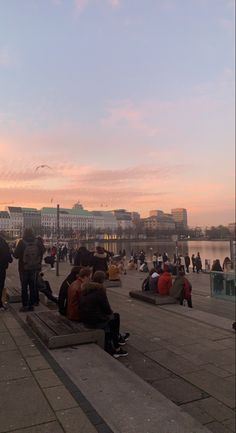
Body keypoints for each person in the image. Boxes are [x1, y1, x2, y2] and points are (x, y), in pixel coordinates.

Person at [78, 271, 128, 358]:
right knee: (114, 318)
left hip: (85, 319)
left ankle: (118, 339)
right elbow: (107, 309)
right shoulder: (100, 291)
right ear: (103, 280)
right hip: (94, 322)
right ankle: (116, 347)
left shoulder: (86, 288)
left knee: (113, 317)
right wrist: (109, 314)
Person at [14, 228, 45, 312]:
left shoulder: (21, 242)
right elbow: (43, 250)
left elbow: (16, 255)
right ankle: (31, 305)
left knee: (24, 287)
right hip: (34, 268)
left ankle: (25, 305)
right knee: (33, 286)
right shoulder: (37, 242)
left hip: (23, 268)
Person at [0, 233, 13, 311]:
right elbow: (9, 259)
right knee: (0, 286)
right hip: (1, 268)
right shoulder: (4, 243)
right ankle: (0, 305)